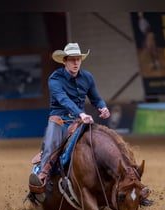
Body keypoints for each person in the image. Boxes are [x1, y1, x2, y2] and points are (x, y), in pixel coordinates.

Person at [28, 42, 110, 199]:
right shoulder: (55, 78)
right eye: (72, 59)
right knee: (52, 144)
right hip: (59, 119)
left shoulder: (87, 77)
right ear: (64, 61)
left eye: (78, 59)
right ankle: (42, 177)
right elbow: (63, 99)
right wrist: (81, 113)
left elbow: (96, 98)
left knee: (99, 143)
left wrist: (103, 107)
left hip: (80, 121)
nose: (76, 62)